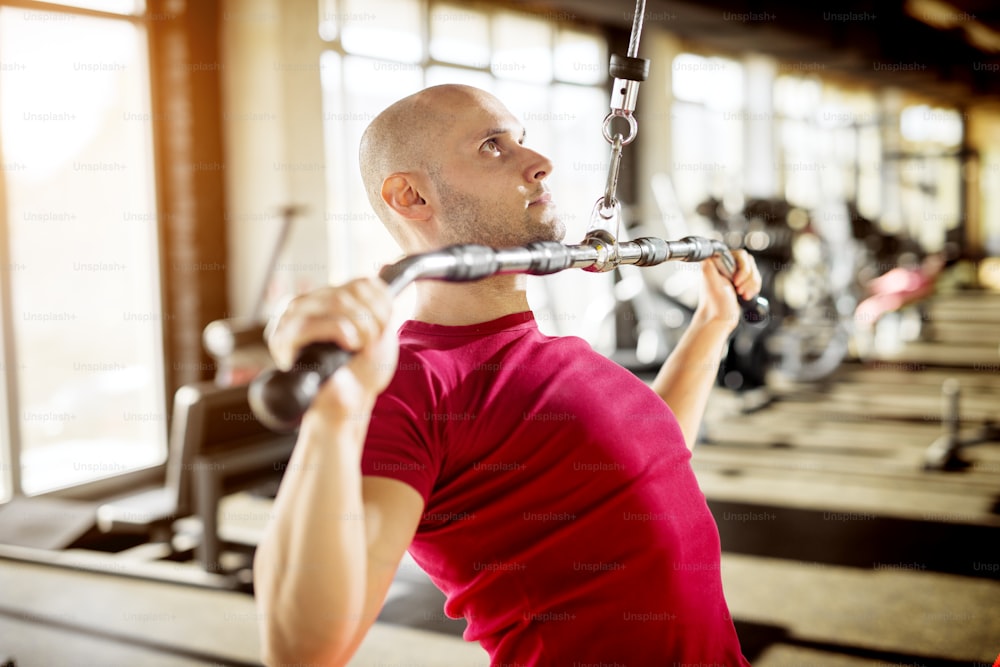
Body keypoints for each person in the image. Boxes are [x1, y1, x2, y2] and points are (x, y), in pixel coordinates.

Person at [253, 84, 761, 666]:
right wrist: (333, 421)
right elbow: (302, 650)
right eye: (492, 146)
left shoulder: (558, 354)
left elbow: (648, 455)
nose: (539, 162)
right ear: (412, 196)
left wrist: (713, 325)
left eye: (521, 139)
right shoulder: (409, 389)